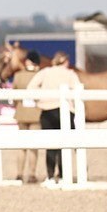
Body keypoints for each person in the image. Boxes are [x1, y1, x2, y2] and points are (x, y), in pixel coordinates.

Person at [27, 51, 81, 184]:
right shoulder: (70, 74)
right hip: (66, 111)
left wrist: (40, 100)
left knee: (50, 145)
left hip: (48, 111)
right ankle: (62, 175)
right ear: (65, 62)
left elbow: (31, 87)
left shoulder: (45, 72)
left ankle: (50, 176)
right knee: (64, 145)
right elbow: (78, 90)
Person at [12, 51, 43, 183]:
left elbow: (14, 95)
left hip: (21, 112)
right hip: (36, 113)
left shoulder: (18, 76)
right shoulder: (40, 75)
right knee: (33, 146)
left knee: (21, 146)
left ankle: (19, 173)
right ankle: (32, 174)